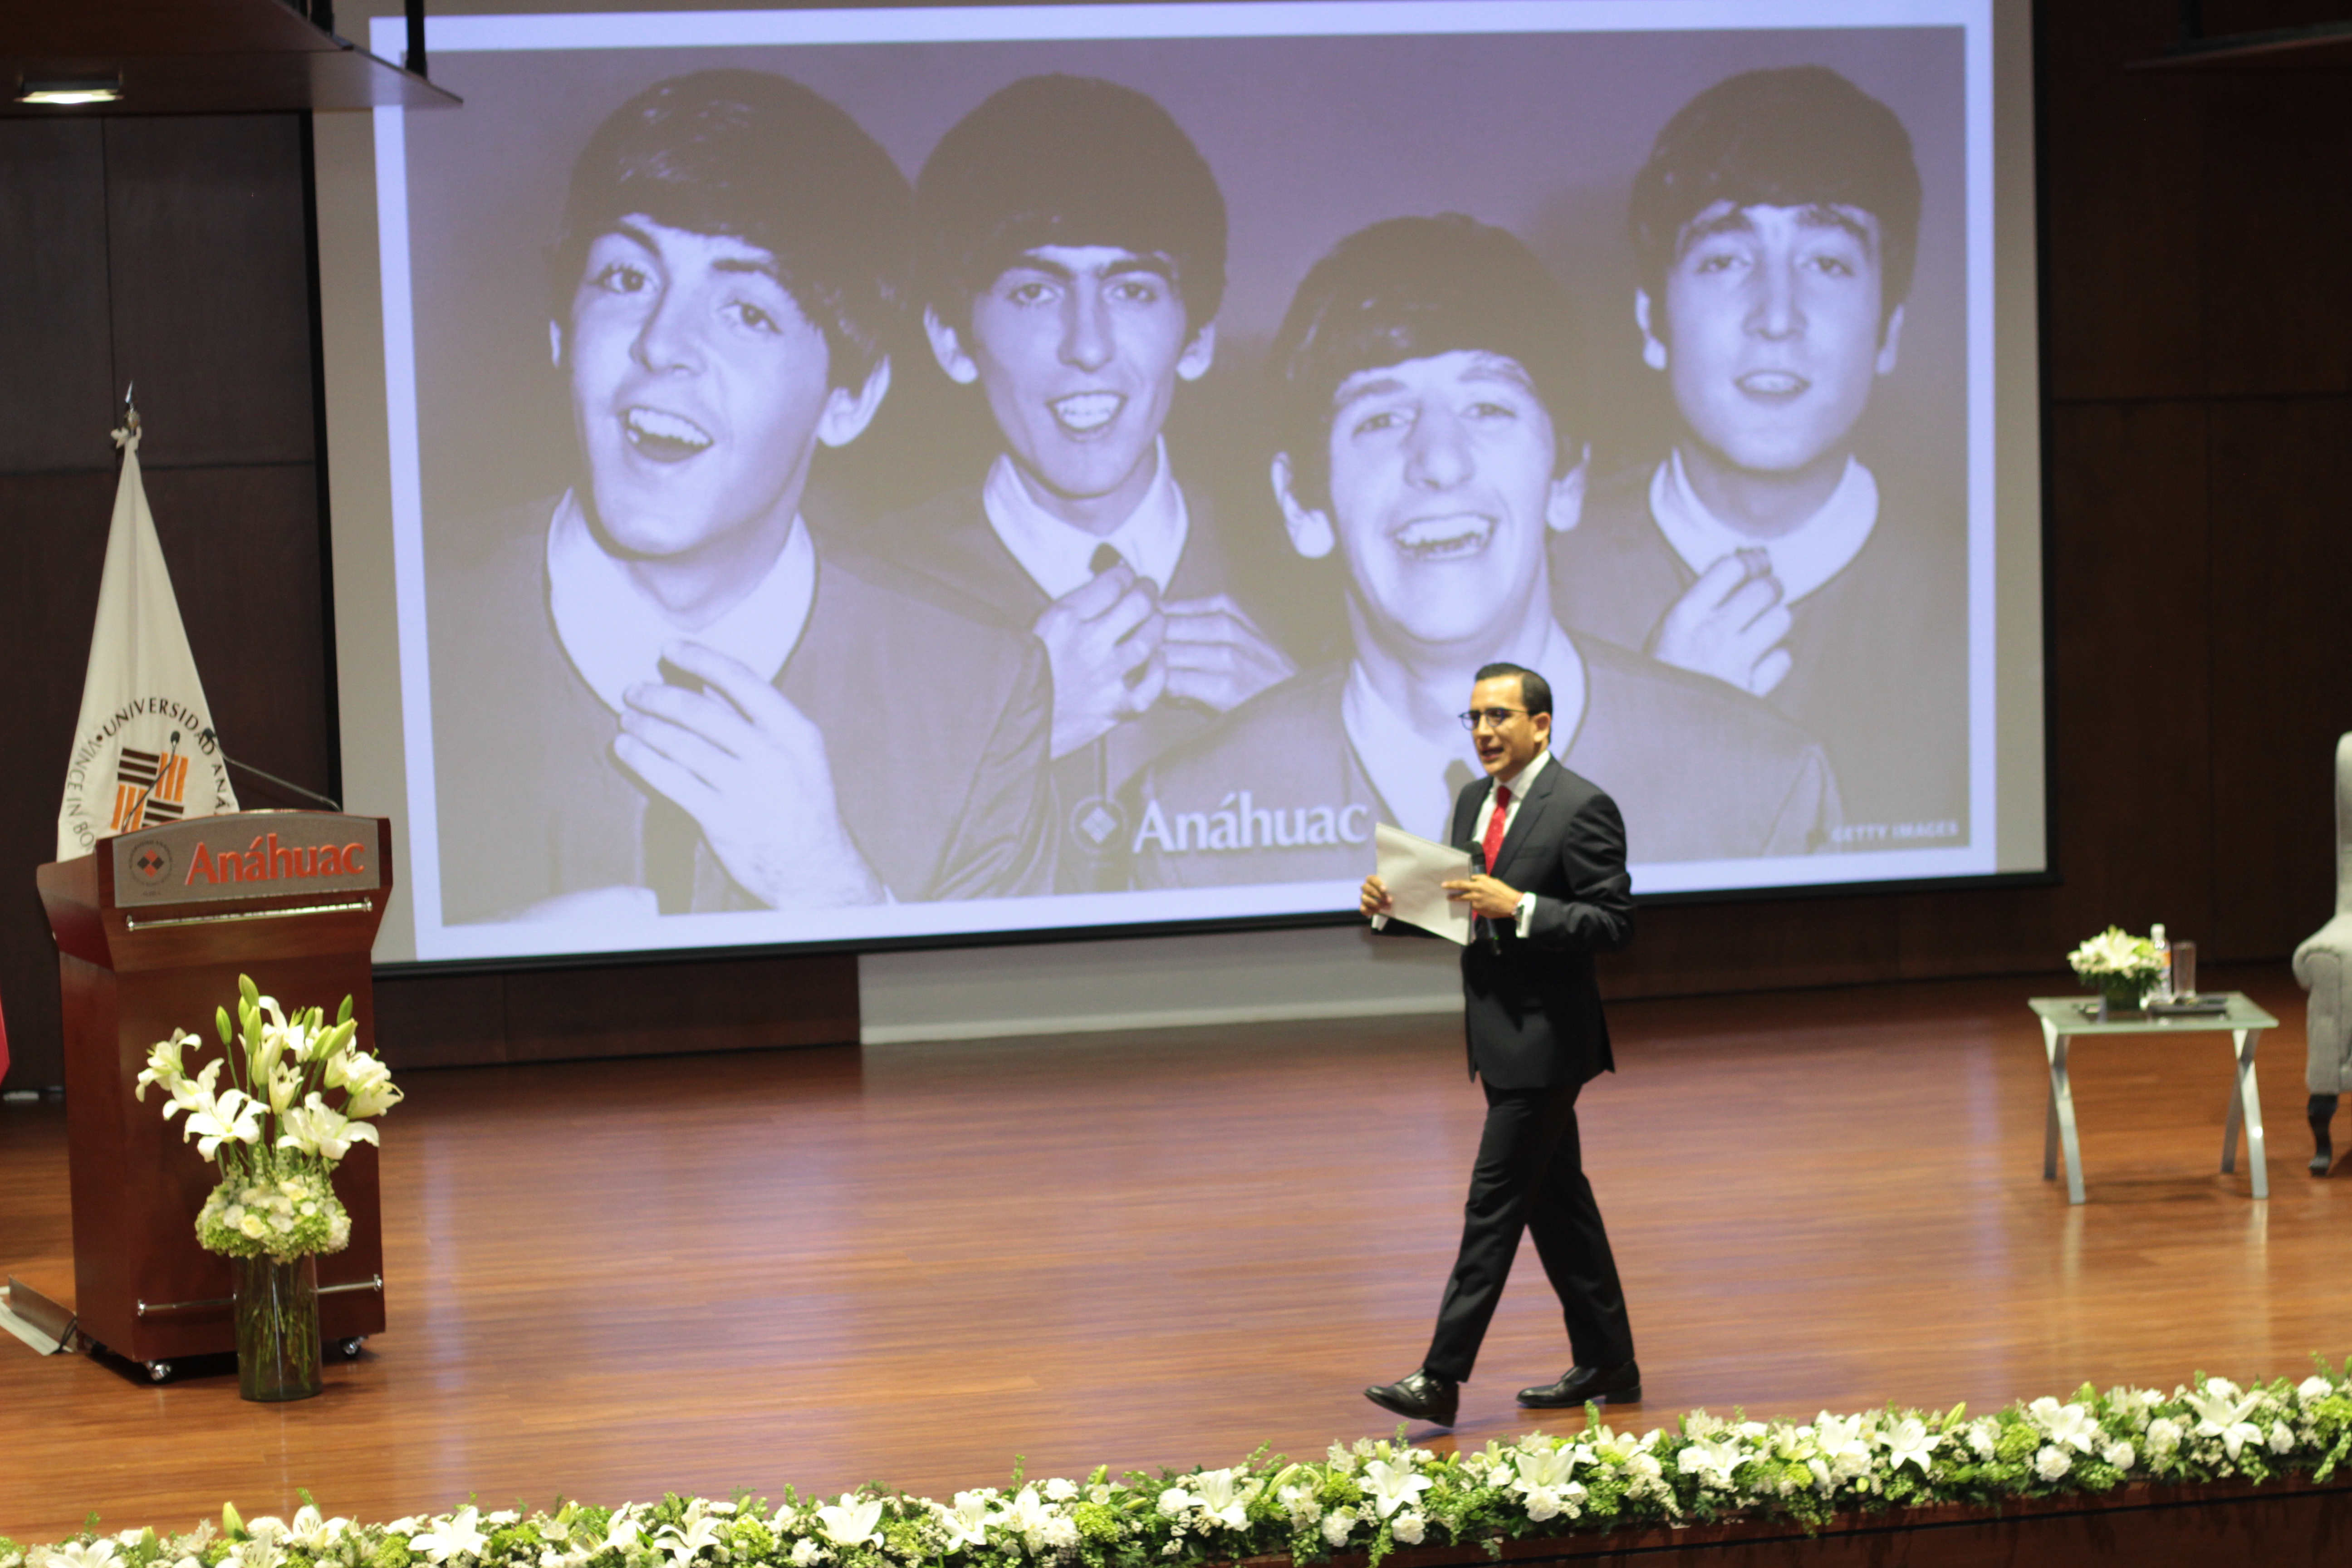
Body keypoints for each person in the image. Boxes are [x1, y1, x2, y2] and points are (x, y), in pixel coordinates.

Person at [428, 69, 1055, 924]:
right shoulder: (397, 623)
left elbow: (1004, 1048)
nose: (663, 346)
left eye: (749, 312)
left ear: (852, 399)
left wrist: (832, 892)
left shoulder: (984, 688)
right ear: (559, 329)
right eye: (625, 279)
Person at [1125, 215, 1839, 890]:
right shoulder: (1186, 818)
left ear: (1567, 479)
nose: (1439, 461)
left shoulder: (1766, 785)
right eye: (1381, 417)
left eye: (1490, 408)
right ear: (1300, 506)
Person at [863, 74, 1295, 888]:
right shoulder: (860, 593)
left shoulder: (1320, 576)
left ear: (1196, 335)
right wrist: (1013, 737)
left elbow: (1465, 924)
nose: (1088, 345)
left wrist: (1313, 737)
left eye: (1132, 289)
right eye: (1034, 291)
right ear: (954, 341)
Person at [1551, 65, 1966, 844]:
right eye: (1725, 259)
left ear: (1891, 331)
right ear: (1651, 319)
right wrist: (1660, 729)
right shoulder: (1533, 576)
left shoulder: (1984, 591)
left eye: (1828, 262)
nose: (1777, 316)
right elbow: (1422, 903)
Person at [1357, 661, 1639, 1428]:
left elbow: (1613, 923)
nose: (1483, 732)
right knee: (1559, 1205)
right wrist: (1390, 908)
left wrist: (1526, 908)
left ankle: (1441, 1376)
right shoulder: (1473, 801)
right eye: (1474, 718)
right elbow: (1461, 910)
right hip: (1497, 1035)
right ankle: (1611, 1360)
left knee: (1494, 1206)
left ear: (1540, 726)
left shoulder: (1582, 807)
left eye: (1500, 718)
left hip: (1550, 1043)